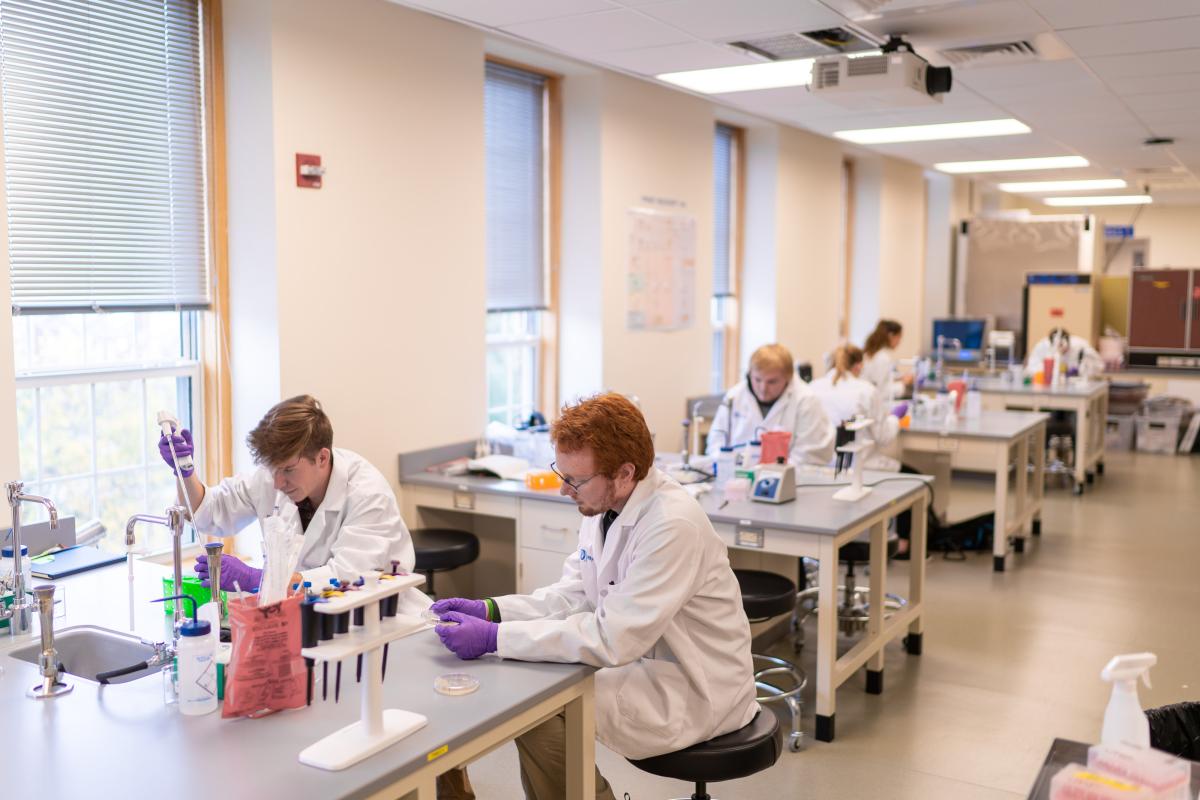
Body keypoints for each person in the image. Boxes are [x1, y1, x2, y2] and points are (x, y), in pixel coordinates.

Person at [430, 393, 759, 800]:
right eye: (561, 473)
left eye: (576, 480)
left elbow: (613, 638)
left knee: (539, 703)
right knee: (531, 691)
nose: (564, 489)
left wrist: (495, 639)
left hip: (695, 688)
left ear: (624, 473)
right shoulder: (604, 508)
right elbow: (574, 596)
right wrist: (494, 610)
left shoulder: (672, 525)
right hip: (645, 664)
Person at [157, 394, 421, 600]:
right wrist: (184, 470)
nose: (277, 482)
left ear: (322, 458)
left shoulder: (368, 495)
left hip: (380, 629)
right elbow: (208, 511)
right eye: (273, 469)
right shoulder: (274, 476)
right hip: (303, 626)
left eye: (288, 470)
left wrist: (258, 579)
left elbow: (346, 582)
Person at [705, 343, 835, 465]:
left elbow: (808, 455)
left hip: (790, 481)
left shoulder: (806, 401)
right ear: (749, 373)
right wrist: (724, 464)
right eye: (757, 379)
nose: (763, 388)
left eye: (772, 382)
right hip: (736, 478)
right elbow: (716, 440)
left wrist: (773, 473)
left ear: (788, 378)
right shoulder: (734, 396)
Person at [809, 344, 907, 472]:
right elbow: (884, 437)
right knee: (918, 477)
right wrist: (895, 417)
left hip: (823, 468)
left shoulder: (813, 387)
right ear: (859, 366)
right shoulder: (866, 391)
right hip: (862, 468)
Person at [861, 319, 913, 399]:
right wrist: (904, 384)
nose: (899, 341)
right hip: (876, 403)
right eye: (899, 337)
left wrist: (899, 378)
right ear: (891, 336)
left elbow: (880, 379)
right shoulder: (882, 357)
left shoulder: (870, 353)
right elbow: (881, 391)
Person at [1025, 327, 1104, 379]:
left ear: (1069, 341)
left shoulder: (1080, 346)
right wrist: (1050, 372)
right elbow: (1031, 368)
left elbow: (1099, 366)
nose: (1061, 350)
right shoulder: (1042, 346)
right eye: (1057, 346)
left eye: (1062, 346)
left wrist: (1080, 372)